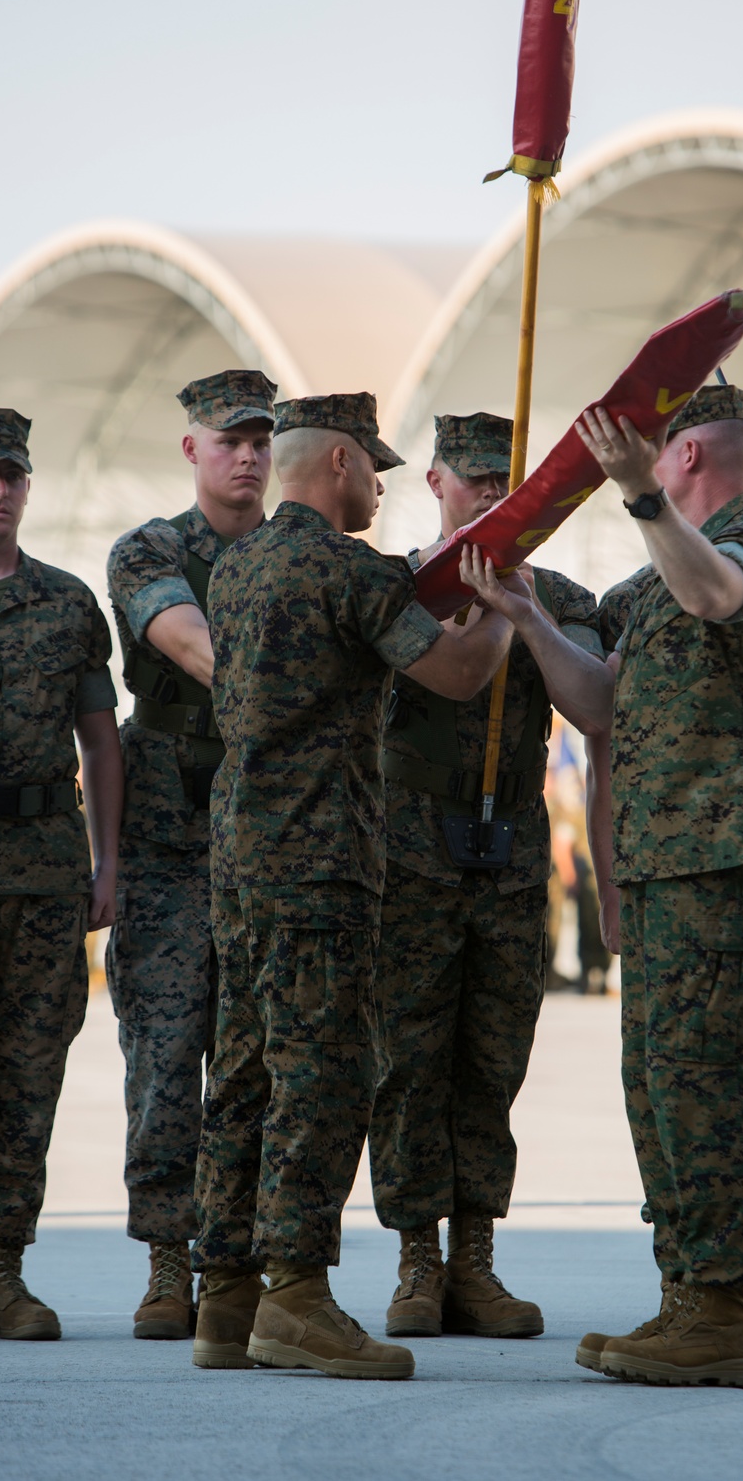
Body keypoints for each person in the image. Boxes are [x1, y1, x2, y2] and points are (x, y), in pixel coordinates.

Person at [191, 392, 521, 1381]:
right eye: (371, 468)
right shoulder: (350, 571)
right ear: (335, 462)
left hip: (239, 857)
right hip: (319, 860)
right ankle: (295, 1294)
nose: (378, 485)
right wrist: (501, 607)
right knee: (324, 1073)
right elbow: (457, 675)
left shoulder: (234, 567)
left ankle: (227, 1296)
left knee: (244, 1070)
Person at [572, 386, 743, 1388]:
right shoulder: (647, 583)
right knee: (662, 1086)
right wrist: (521, 618)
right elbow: (600, 700)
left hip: (722, 863)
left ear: (681, 458)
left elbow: (718, 594)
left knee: (709, 1085)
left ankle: (718, 1311)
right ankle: (686, 1298)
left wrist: (637, 499)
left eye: (653, 455)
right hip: (663, 866)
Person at [368, 412, 613, 1340]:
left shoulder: (564, 594)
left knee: (493, 1063)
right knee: (408, 1061)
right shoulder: (395, 591)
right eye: (473, 482)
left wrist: (524, 611)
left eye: (508, 485)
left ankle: (475, 1259)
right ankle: (417, 1262)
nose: (492, 499)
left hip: (509, 851)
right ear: (435, 484)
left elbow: (596, 705)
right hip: (410, 849)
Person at [0, 407, 121, 1343]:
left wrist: (108, 859)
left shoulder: (68, 602)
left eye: (11, 474)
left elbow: (100, 737)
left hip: (45, 875)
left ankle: (4, 1267)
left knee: (28, 1075)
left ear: (28, 486)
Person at [105, 369, 276, 1339]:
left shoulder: (302, 552)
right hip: (167, 851)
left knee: (256, 1071)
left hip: (267, 846)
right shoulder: (152, 549)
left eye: (259, 439)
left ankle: (237, 1267)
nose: (246, 454)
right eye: (228, 438)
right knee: (167, 1064)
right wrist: (285, 672)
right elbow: (188, 641)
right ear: (193, 449)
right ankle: (169, 1265)